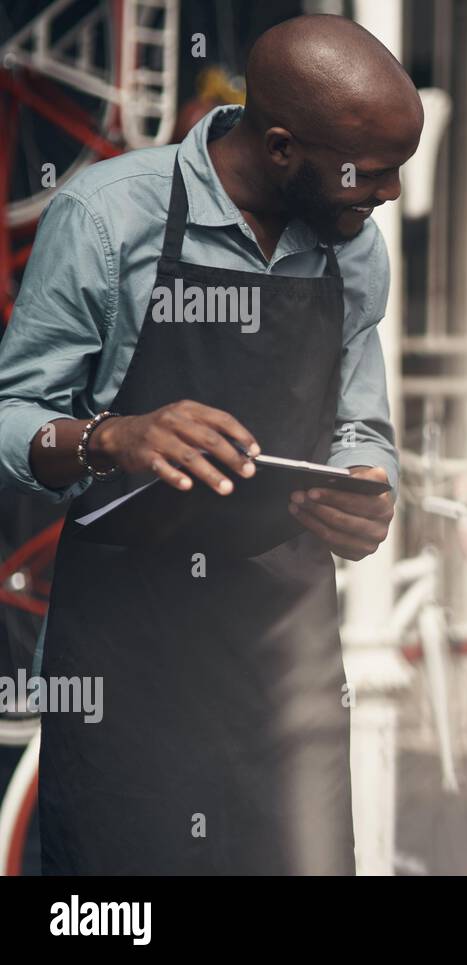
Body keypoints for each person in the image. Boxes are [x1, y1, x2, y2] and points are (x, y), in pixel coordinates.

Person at [0, 14, 423, 873]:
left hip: (287, 666)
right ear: (280, 148)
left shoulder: (352, 251)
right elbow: (14, 415)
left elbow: (359, 422)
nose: (388, 197)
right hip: (127, 664)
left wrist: (363, 488)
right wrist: (111, 436)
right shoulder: (107, 216)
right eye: (371, 175)